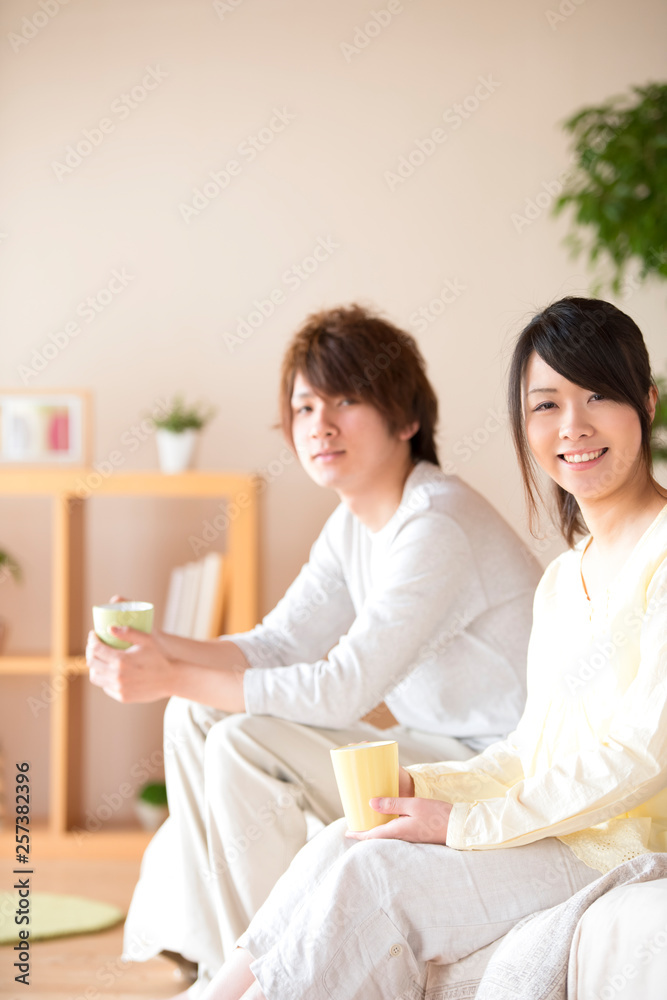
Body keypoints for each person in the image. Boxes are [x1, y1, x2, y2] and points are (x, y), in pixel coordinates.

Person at [200, 296, 667, 1000]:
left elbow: (642, 754)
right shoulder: (561, 580)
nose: (571, 425)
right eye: (545, 405)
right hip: (546, 830)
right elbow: (528, 750)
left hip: (609, 845)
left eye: (597, 395)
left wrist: (467, 822)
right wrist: (430, 789)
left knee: (376, 875)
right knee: (342, 840)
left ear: (647, 403)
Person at [86, 305, 541, 993]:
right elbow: (278, 644)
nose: (319, 425)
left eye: (346, 400)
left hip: (492, 765)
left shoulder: (435, 526)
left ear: (406, 420)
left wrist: (170, 672)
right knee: (192, 713)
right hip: (433, 745)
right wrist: (158, 650)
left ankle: (277, 978)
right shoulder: (352, 523)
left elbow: (341, 689)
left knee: (241, 740)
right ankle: (223, 964)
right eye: (303, 407)